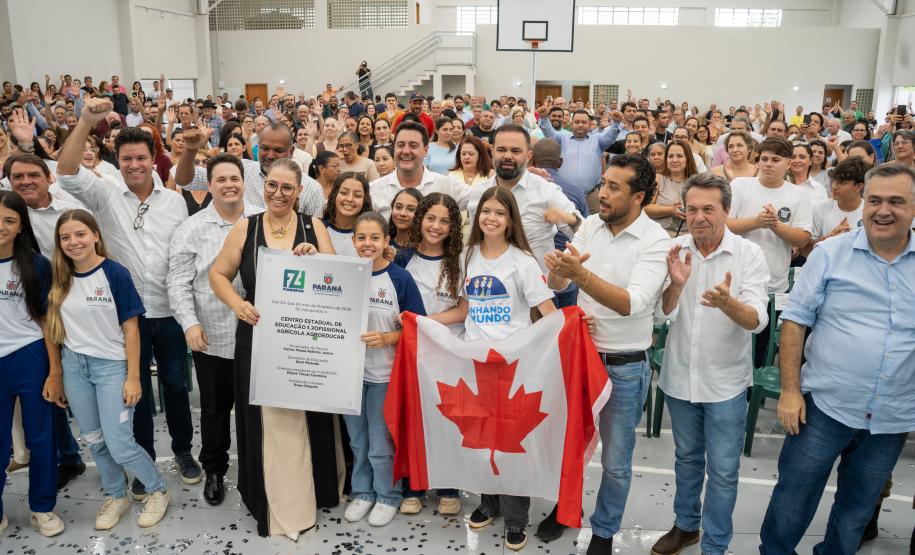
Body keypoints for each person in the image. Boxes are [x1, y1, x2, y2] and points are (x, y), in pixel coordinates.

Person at [759, 163, 915, 555]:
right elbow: (794, 322)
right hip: (824, 408)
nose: (883, 210)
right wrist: (790, 392)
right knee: (792, 501)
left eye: (896, 201)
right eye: (875, 200)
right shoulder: (830, 254)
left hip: (891, 417)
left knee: (856, 512)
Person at [55, 99, 203, 499]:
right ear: (116, 160)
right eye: (126, 159)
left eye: (141, 157)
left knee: (174, 386)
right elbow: (66, 171)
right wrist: (87, 121)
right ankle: (144, 461)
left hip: (169, 312)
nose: (134, 165)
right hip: (125, 319)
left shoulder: (175, 202)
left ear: (155, 159)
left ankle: (184, 452)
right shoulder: (104, 195)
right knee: (133, 394)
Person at [541, 154, 670, 553]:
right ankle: (565, 510)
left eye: (615, 187)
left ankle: (603, 530)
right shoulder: (592, 226)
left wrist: (580, 275)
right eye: (603, 184)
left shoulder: (656, 242)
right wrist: (560, 271)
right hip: (582, 356)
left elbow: (632, 302)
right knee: (569, 445)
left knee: (615, 461)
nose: (603, 194)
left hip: (624, 367)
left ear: (639, 198)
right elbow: (561, 281)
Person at [209, 158, 338, 540]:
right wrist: (237, 304)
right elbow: (218, 274)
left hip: (303, 340)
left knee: (304, 418)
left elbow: (337, 277)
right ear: (262, 186)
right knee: (265, 419)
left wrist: (316, 261)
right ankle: (268, 497)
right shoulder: (245, 228)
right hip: (258, 338)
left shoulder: (313, 226)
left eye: (287, 187)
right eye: (272, 185)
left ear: (300, 192)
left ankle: (308, 494)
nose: (278, 193)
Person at [432, 186, 557, 551]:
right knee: (480, 438)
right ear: (478, 216)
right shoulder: (467, 256)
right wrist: (422, 320)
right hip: (475, 364)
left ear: (510, 220)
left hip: (512, 366)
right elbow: (464, 310)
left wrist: (572, 329)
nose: (491, 218)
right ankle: (490, 503)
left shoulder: (522, 261)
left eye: (500, 213)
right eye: (486, 211)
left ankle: (517, 517)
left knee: (509, 446)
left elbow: (547, 313)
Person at [650, 173, 769, 555]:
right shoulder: (675, 250)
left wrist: (727, 303)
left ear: (727, 211)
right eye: (692, 209)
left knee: (722, 469)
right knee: (686, 458)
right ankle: (686, 526)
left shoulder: (748, 255)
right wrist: (678, 285)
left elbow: (756, 320)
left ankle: (715, 544)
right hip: (679, 376)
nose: (699, 217)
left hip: (725, 384)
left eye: (709, 209)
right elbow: (659, 314)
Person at [47, 208, 170, 530]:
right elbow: (51, 329)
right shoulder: (58, 277)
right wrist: (57, 372)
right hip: (75, 366)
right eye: (65, 237)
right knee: (94, 440)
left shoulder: (115, 273)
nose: (73, 242)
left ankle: (157, 489)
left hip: (112, 368)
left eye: (80, 234)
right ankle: (117, 495)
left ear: (96, 236)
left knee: (120, 443)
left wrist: (133, 376)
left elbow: (132, 329)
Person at [167, 154, 261, 507]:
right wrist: (189, 324)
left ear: (243, 181)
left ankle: (257, 470)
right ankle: (215, 471)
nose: (229, 185)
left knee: (256, 409)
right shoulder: (192, 228)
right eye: (221, 179)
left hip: (256, 335)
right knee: (215, 410)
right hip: (212, 336)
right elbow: (177, 282)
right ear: (209, 185)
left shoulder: (261, 220)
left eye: (234, 178)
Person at [4, 153, 88, 487]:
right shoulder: (7, 212)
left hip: (75, 308)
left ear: (47, 177)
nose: (26, 181)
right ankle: (67, 457)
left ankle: (104, 451)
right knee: (49, 394)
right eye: (17, 176)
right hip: (37, 316)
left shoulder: (69, 207)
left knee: (70, 384)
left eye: (33, 175)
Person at [342, 211, 425, 527]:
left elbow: (418, 328)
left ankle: (388, 494)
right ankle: (362, 491)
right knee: (358, 442)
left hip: (383, 377)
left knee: (380, 443)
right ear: (353, 241)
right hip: (349, 376)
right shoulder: (344, 274)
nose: (367, 243)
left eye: (374, 237)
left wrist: (388, 337)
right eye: (361, 238)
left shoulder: (400, 279)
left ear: (386, 241)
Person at [392, 192, 464, 515]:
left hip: (450, 351)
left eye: (445, 220)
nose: (436, 226)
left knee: (448, 419)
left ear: (454, 226)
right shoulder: (402, 258)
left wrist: (427, 323)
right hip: (413, 353)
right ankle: (414, 485)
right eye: (431, 218)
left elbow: (464, 309)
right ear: (420, 219)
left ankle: (449, 484)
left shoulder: (460, 261)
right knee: (415, 418)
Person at [0, 190, 66, 537]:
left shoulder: (36, 266)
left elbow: (46, 322)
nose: (1, 227)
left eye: (9, 220)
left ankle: (42, 506)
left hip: (30, 356)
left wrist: (54, 371)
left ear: (21, 225)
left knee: (41, 436)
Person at [726, 137, 812, 365]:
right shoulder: (740, 185)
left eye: (775, 159)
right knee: (728, 346)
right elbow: (725, 224)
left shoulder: (799, 194)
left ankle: (749, 397)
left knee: (759, 352)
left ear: (788, 163)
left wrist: (775, 225)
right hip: (735, 279)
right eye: (764, 159)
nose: (768, 164)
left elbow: (803, 238)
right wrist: (756, 222)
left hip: (772, 283)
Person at [468, 124, 581, 276]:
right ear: (492, 152)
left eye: (515, 151)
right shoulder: (478, 193)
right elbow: (475, 242)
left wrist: (569, 220)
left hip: (537, 292)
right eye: (501, 150)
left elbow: (583, 233)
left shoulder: (546, 191)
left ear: (528, 156)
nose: (508, 156)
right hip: (489, 287)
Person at [176, 124, 324, 216]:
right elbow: (186, 181)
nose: (270, 155)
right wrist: (190, 149)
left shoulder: (312, 189)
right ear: (258, 146)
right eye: (265, 148)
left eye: (278, 150)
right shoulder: (239, 170)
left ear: (291, 151)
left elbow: (313, 234)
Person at [530, 138, 588, 308]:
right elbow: (584, 233)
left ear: (531, 158)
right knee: (564, 326)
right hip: (565, 268)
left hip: (537, 273)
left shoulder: (546, 190)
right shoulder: (576, 191)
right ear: (560, 162)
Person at [369, 122, 469, 220]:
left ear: (426, 150)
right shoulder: (374, 189)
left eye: (413, 146)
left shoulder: (446, 185)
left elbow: (479, 198)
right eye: (400, 145)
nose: (406, 151)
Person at [539, 107, 622, 212]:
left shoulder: (598, 139)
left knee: (594, 225)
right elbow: (549, 132)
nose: (580, 125)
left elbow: (610, 136)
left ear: (590, 123)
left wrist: (616, 122)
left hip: (592, 195)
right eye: (577, 122)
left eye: (584, 122)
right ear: (571, 123)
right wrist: (544, 117)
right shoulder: (561, 138)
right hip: (566, 195)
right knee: (568, 225)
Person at [801, 156, 867, 257]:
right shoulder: (821, 208)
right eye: (834, 181)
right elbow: (805, 252)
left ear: (859, 186)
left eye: (842, 183)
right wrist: (828, 238)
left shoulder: (870, 211)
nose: (834, 186)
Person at [646, 141, 698, 237]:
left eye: (679, 156)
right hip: (659, 235)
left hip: (688, 236)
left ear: (688, 158)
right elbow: (646, 208)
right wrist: (670, 210)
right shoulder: (658, 179)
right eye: (670, 156)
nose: (674, 160)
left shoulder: (697, 183)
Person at [323, 172, 373, 257]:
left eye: (357, 195)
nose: (350, 199)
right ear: (335, 194)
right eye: (344, 193)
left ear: (365, 200)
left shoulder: (372, 234)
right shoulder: (320, 228)